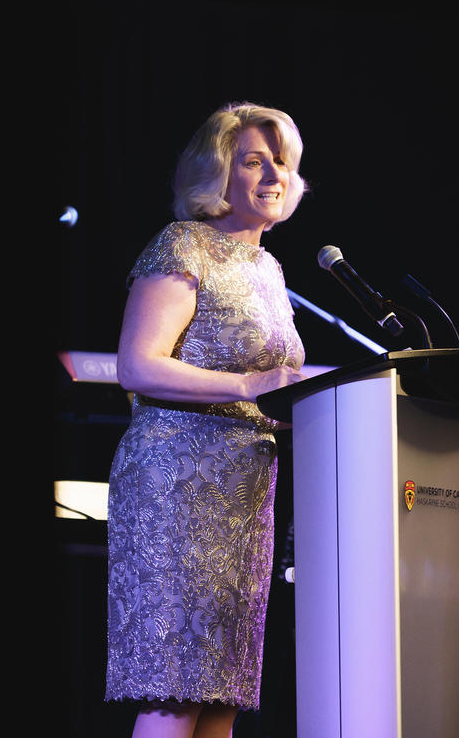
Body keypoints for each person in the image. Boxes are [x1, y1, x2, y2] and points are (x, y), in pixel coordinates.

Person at [104, 102, 309, 738]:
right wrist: (254, 384)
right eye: (254, 160)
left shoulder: (269, 268)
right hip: (178, 483)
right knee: (176, 691)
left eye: (282, 161)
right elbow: (138, 365)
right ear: (215, 175)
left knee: (222, 697)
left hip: (246, 492)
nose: (274, 174)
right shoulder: (184, 243)